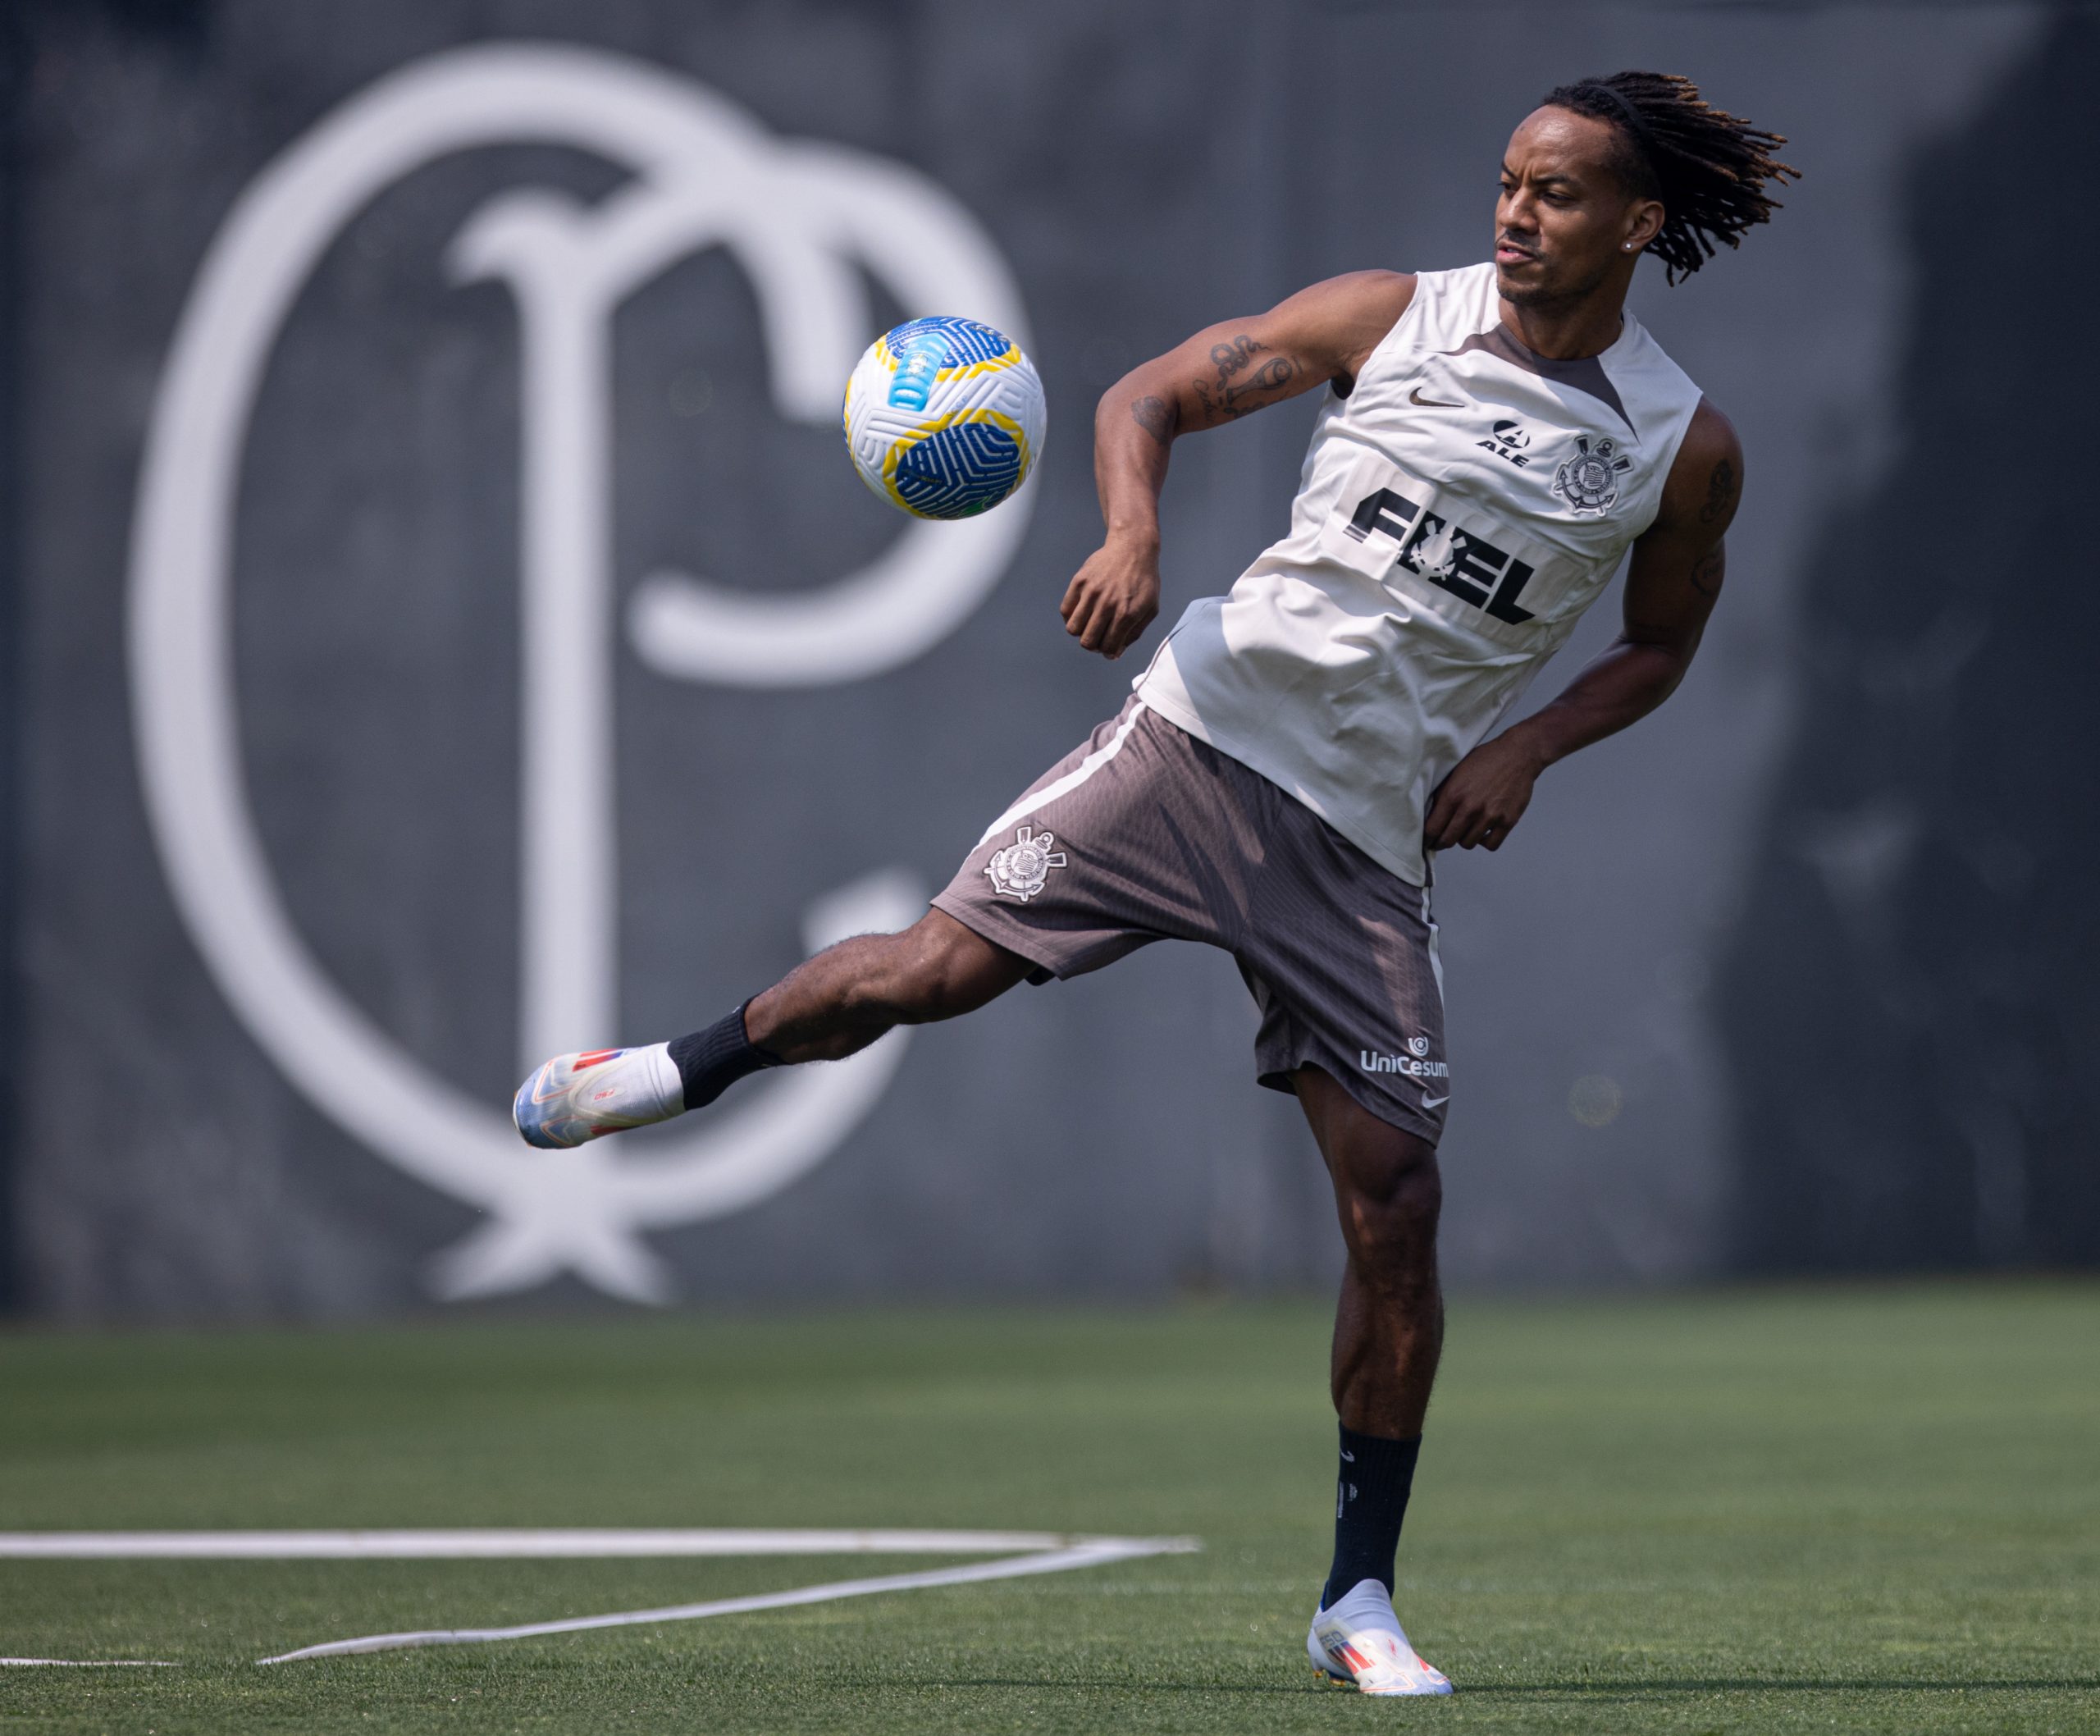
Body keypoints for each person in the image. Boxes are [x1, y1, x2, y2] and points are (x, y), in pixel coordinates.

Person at [513, 70, 1796, 1697]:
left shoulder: (1680, 448)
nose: (1513, 211)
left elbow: (1662, 645)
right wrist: (1130, 536)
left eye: (1552, 192)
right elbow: (1142, 397)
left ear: (1639, 222)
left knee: (1394, 1204)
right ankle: (657, 1071)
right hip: (1193, 741)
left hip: (1360, 840)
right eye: (1504, 181)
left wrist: (1530, 746)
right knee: (924, 974)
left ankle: (1353, 1596)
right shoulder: (1388, 316)